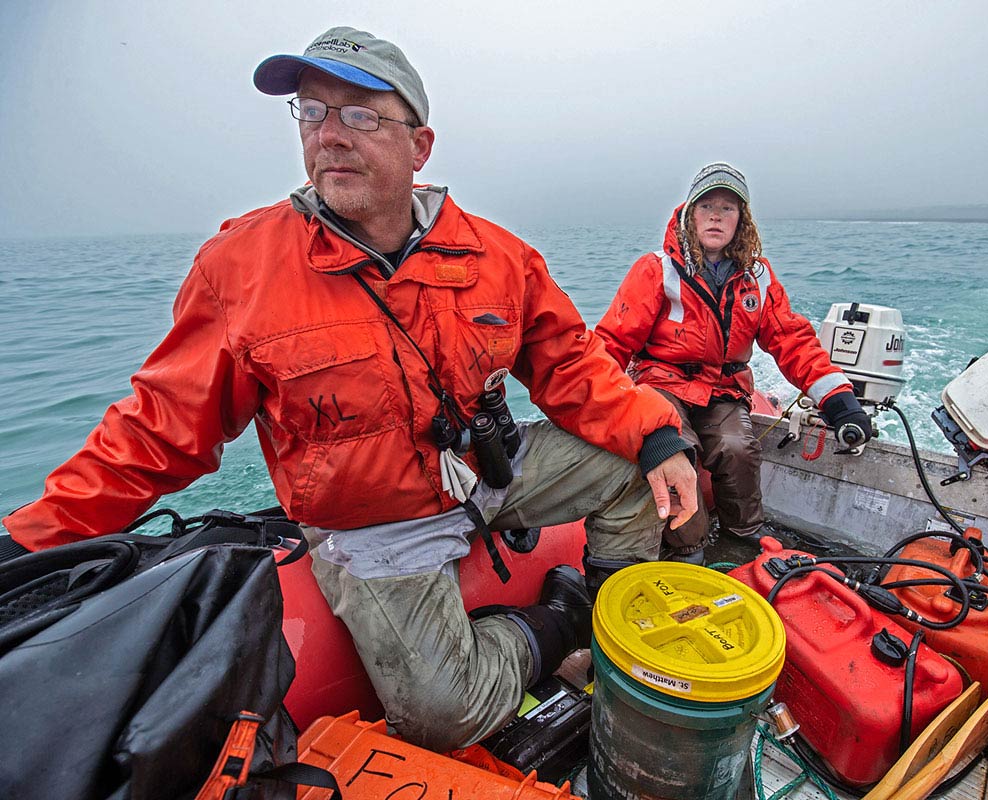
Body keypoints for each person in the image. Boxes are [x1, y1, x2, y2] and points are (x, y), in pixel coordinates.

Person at [0, 27, 698, 751]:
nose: (330, 135)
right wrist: (32, 543)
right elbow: (158, 430)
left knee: (631, 468)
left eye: (360, 114)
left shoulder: (500, 255)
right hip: (372, 524)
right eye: (311, 112)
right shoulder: (240, 267)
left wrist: (655, 435)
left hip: (484, 473)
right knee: (442, 715)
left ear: (419, 146)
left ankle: (602, 610)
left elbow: (570, 364)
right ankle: (554, 623)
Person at [596, 162, 871, 563]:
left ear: (741, 220)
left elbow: (791, 339)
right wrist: (590, 400)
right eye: (706, 205)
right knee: (676, 451)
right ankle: (690, 548)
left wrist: (839, 401)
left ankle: (742, 539)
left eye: (727, 208)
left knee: (737, 447)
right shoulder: (656, 270)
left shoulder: (757, 277)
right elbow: (612, 342)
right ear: (690, 213)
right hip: (662, 384)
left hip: (724, 390)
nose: (715, 215)